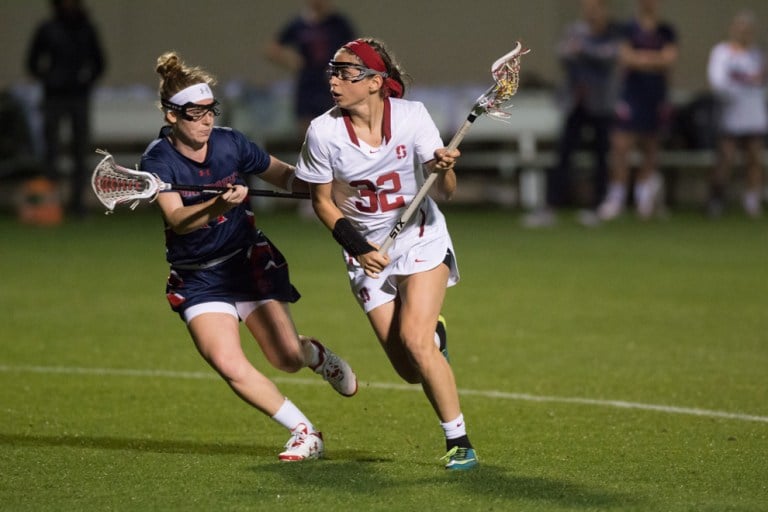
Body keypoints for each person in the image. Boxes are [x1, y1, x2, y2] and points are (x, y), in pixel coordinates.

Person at [139, 51, 358, 462]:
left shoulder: (231, 142)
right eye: (194, 113)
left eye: (210, 111)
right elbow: (179, 220)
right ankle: (304, 431)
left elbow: (287, 176)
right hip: (198, 277)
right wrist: (218, 207)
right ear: (171, 116)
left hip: (246, 262)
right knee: (227, 361)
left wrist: (326, 185)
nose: (205, 120)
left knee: (287, 358)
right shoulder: (157, 159)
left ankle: (317, 356)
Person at [295, 37, 478, 470]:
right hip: (365, 251)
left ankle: (461, 443)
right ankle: (436, 340)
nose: (335, 82)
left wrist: (442, 170)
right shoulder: (323, 132)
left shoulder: (412, 118)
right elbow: (321, 202)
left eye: (346, 73)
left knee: (415, 340)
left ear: (375, 81)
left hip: (420, 238)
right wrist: (358, 249)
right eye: (333, 73)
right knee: (410, 368)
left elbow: (446, 192)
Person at [523, 0, 621, 228]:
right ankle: (549, 207)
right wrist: (588, 52)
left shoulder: (612, 32)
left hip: (601, 104)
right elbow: (564, 53)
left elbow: (609, 56)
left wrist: (584, 49)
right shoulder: (574, 30)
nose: (591, 12)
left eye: (595, 8)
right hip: (576, 103)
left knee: (601, 157)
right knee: (564, 156)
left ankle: (598, 207)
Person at [596, 0, 678, 221]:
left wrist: (642, 58)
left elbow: (669, 59)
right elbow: (626, 57)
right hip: (632, 95)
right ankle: (617, 196)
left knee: (651, 147)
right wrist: (653, 59)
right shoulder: (627, 29)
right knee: (622, 146)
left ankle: (644, 197)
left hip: (656, 95)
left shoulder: (666, 30)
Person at [26, 0, 106, 218]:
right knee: (51, 150)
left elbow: (99, 62)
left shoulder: (86, 28)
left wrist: (84, 82)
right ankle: (50, 203)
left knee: (80, 151)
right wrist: (50, 79)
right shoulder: (48, 29)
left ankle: (78, 204)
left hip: (78, 97)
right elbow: (32, 61)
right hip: (54, 97)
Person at [706, 10, 766, 219]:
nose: (744, 33)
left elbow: (761, 82)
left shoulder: (757, 55)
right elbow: (718, 82)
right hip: (730, 114)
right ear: (733, 29)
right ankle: (716, 199)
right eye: (740, 28)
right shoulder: (722, 52)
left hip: (753, 113)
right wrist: (743, 81)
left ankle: (752, 201)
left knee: (754, 158)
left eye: (748, 30)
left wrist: (754, 80)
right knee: (726, 158)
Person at [265, 0, 356, 137]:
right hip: (307, 83)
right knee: (307, 129)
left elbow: (354, 51)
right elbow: (273, 49)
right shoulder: (299, 25)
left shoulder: (339, 24)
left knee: (335, 127)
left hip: (330, 83)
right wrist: (291, 61)